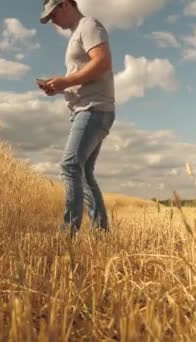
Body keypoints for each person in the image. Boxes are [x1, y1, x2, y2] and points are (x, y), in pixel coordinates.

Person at [39, 0, 115, 235]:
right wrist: (60, 86)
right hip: (88, 109)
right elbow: (82, 74)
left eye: (52, 15)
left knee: (70, 166)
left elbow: (102, 62)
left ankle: (68, 234)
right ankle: (101, 234)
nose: (52, 21)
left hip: (93, 109)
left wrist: (66, 82)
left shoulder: (88, 25)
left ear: (63, 5)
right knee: (83, 171)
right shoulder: (77, 34)